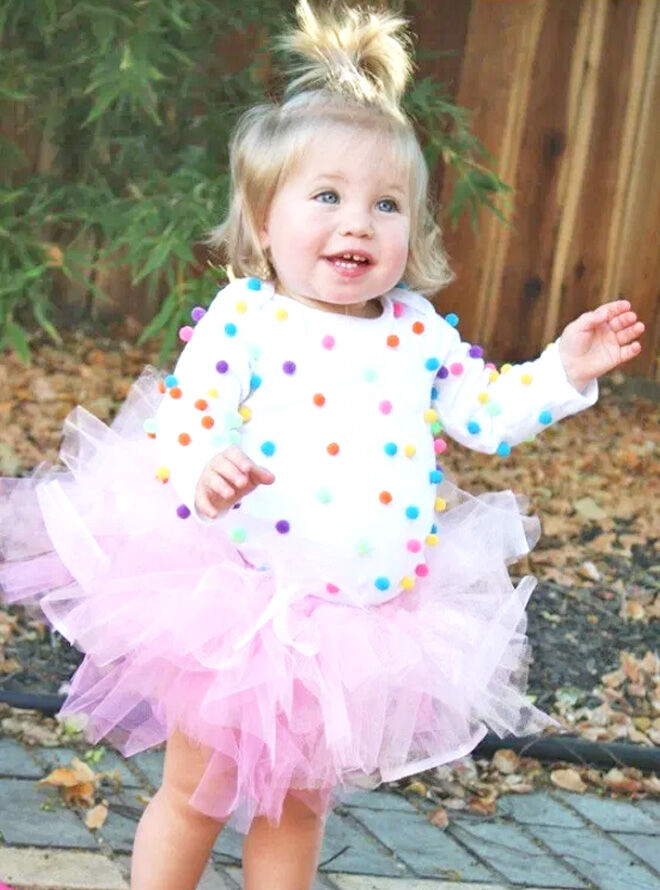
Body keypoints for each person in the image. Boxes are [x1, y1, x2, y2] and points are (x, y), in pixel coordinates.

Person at [0, 3, 645, 889]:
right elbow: (183, 418)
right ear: (265, 221)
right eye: (328, 197)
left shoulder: (418, 331)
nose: (358, 223)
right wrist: (203, 465)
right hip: (240, 606)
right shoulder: (248, 317)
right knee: (196, 790)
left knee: (296, 809)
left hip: (356, 626)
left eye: (387, 205)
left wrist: (564, 369)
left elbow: (486, 413)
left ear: (411, 231)